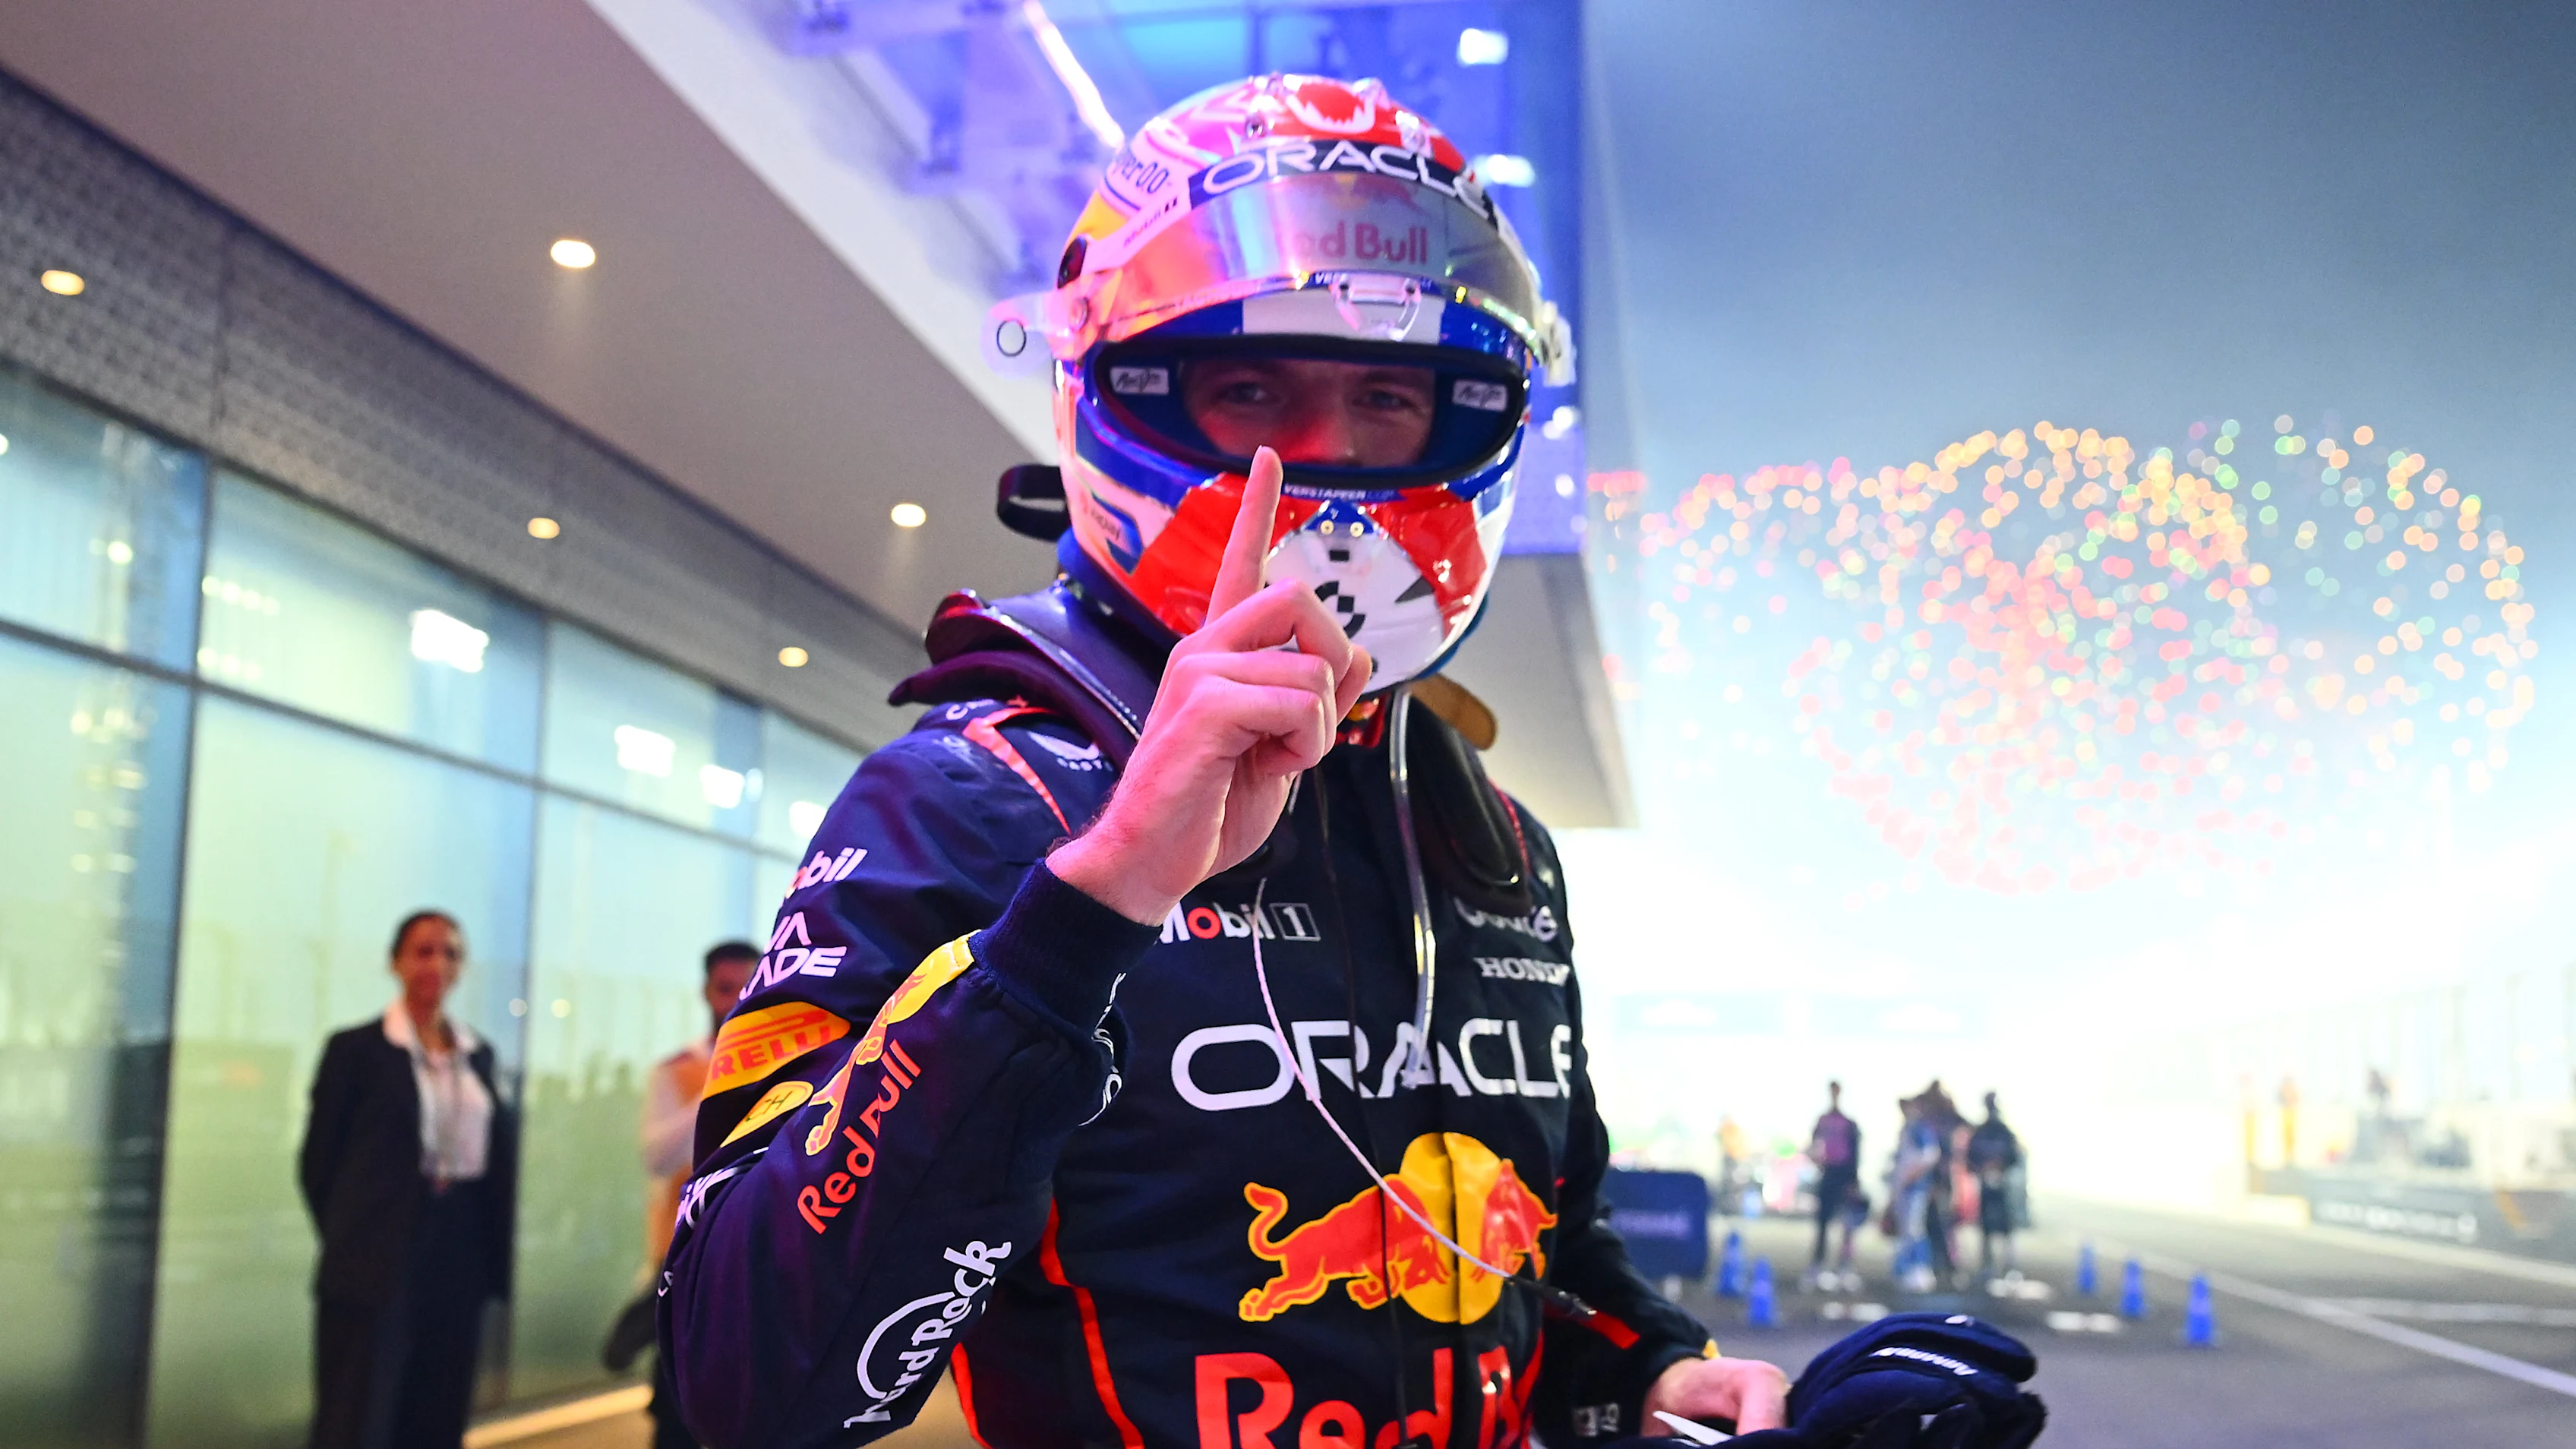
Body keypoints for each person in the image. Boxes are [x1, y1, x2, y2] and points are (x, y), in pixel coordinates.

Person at [659, 72, 1788, 1449]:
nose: (1324, 459)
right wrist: (1092, 902)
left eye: (1387, 397)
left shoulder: (1487, 830)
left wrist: (1658, 1373)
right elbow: (744, 1379)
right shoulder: (965, 795)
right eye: (1250, 387)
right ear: (1110, 394)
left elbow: (1527, 1241)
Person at [299, 911, 518, 1449]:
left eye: (450, 953)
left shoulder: (477, 1054)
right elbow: (318, 1164)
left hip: (459, 1243)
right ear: (396, 962)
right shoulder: (357, 1051)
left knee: (438, 1402)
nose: (437, 964)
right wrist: (353, 1234)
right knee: (360, 1409)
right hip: (377, 1250)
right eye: (423, 951)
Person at [629, 942, 761, 1449]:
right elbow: (655, 1157)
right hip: (683, 1260)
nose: (734, 1000)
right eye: (726, 988)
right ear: (707, 992)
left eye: (746, 986)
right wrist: (724, 1085)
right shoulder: (678, 1069)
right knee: (677, 1406)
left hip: (754, 1257)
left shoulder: (796, 1065)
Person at [1806, 1083, 1860, 1287]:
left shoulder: (1848, 1123)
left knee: (1847, 1225)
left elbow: (1854, 1152)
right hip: (1828, 1174)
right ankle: (1818, 1265)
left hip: (1843, 1176)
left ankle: (1844, 1267)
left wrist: (1853, 1180)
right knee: (1823, 1222)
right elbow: (1814, 1146)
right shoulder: (1823, 1121)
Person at [1964, 1094, 2022, 1281]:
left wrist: (1999, 1167)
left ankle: (2008, 1266)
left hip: (2003, 1185)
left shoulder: (2003, 1132)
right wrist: (1983, 1168)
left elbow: (2014, 1157)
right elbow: (1970, 1158)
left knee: (2006, 1227)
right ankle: (1989, 1266)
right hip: (1987, 1185)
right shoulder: (1983, 1132)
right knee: (1987, 1228)